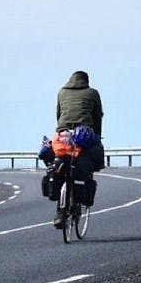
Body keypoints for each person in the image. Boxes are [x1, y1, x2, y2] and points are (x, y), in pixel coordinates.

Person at [50, 70, 105, 227]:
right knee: (85, 163)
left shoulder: (61, 92)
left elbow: (59, 114)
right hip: (83, 135)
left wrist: (62, 129)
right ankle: (78, 200)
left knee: (61, 165)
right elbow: (97, 117)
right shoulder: (93, 93)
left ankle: (60, 212)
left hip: (63, 135)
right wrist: (97, 137)